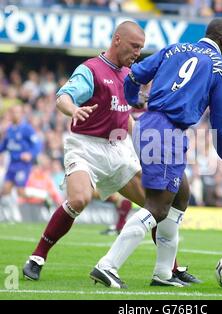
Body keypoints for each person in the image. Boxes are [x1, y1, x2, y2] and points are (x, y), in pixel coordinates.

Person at [22, 21, 199, 286]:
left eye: (141, 47)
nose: (138, 52)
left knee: (156, 207)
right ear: (117, 40)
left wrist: (142, 143)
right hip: (85, 146)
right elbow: (63, 97)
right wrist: (73, 110)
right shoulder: (91, 70)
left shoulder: (129, 75)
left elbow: (124, 115)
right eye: (134, 46)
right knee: (79, 200)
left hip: (117, 149)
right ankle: (37, 257)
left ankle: (170, 269)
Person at [89, 18, 222, 288]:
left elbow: (136, 74)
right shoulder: (220, 70)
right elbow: (219, 120)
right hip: (167, 132)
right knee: (158, 208)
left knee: (181, 195)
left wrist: (133, 97)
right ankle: (107, 265)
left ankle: (163, 273)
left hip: (150, 125)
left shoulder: (175, 48)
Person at [0, 104, 42, 210]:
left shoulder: (27, 129)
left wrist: (30, 154)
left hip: (22, 165)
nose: (15, 114)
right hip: (11, 164)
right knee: (5, 190)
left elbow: (37, 144)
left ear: (21, 114)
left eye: (17, 112)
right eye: (13, 112)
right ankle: (9, 214)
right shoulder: (9, 130)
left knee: (21, 192)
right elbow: (4, 146)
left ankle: (44, 198)